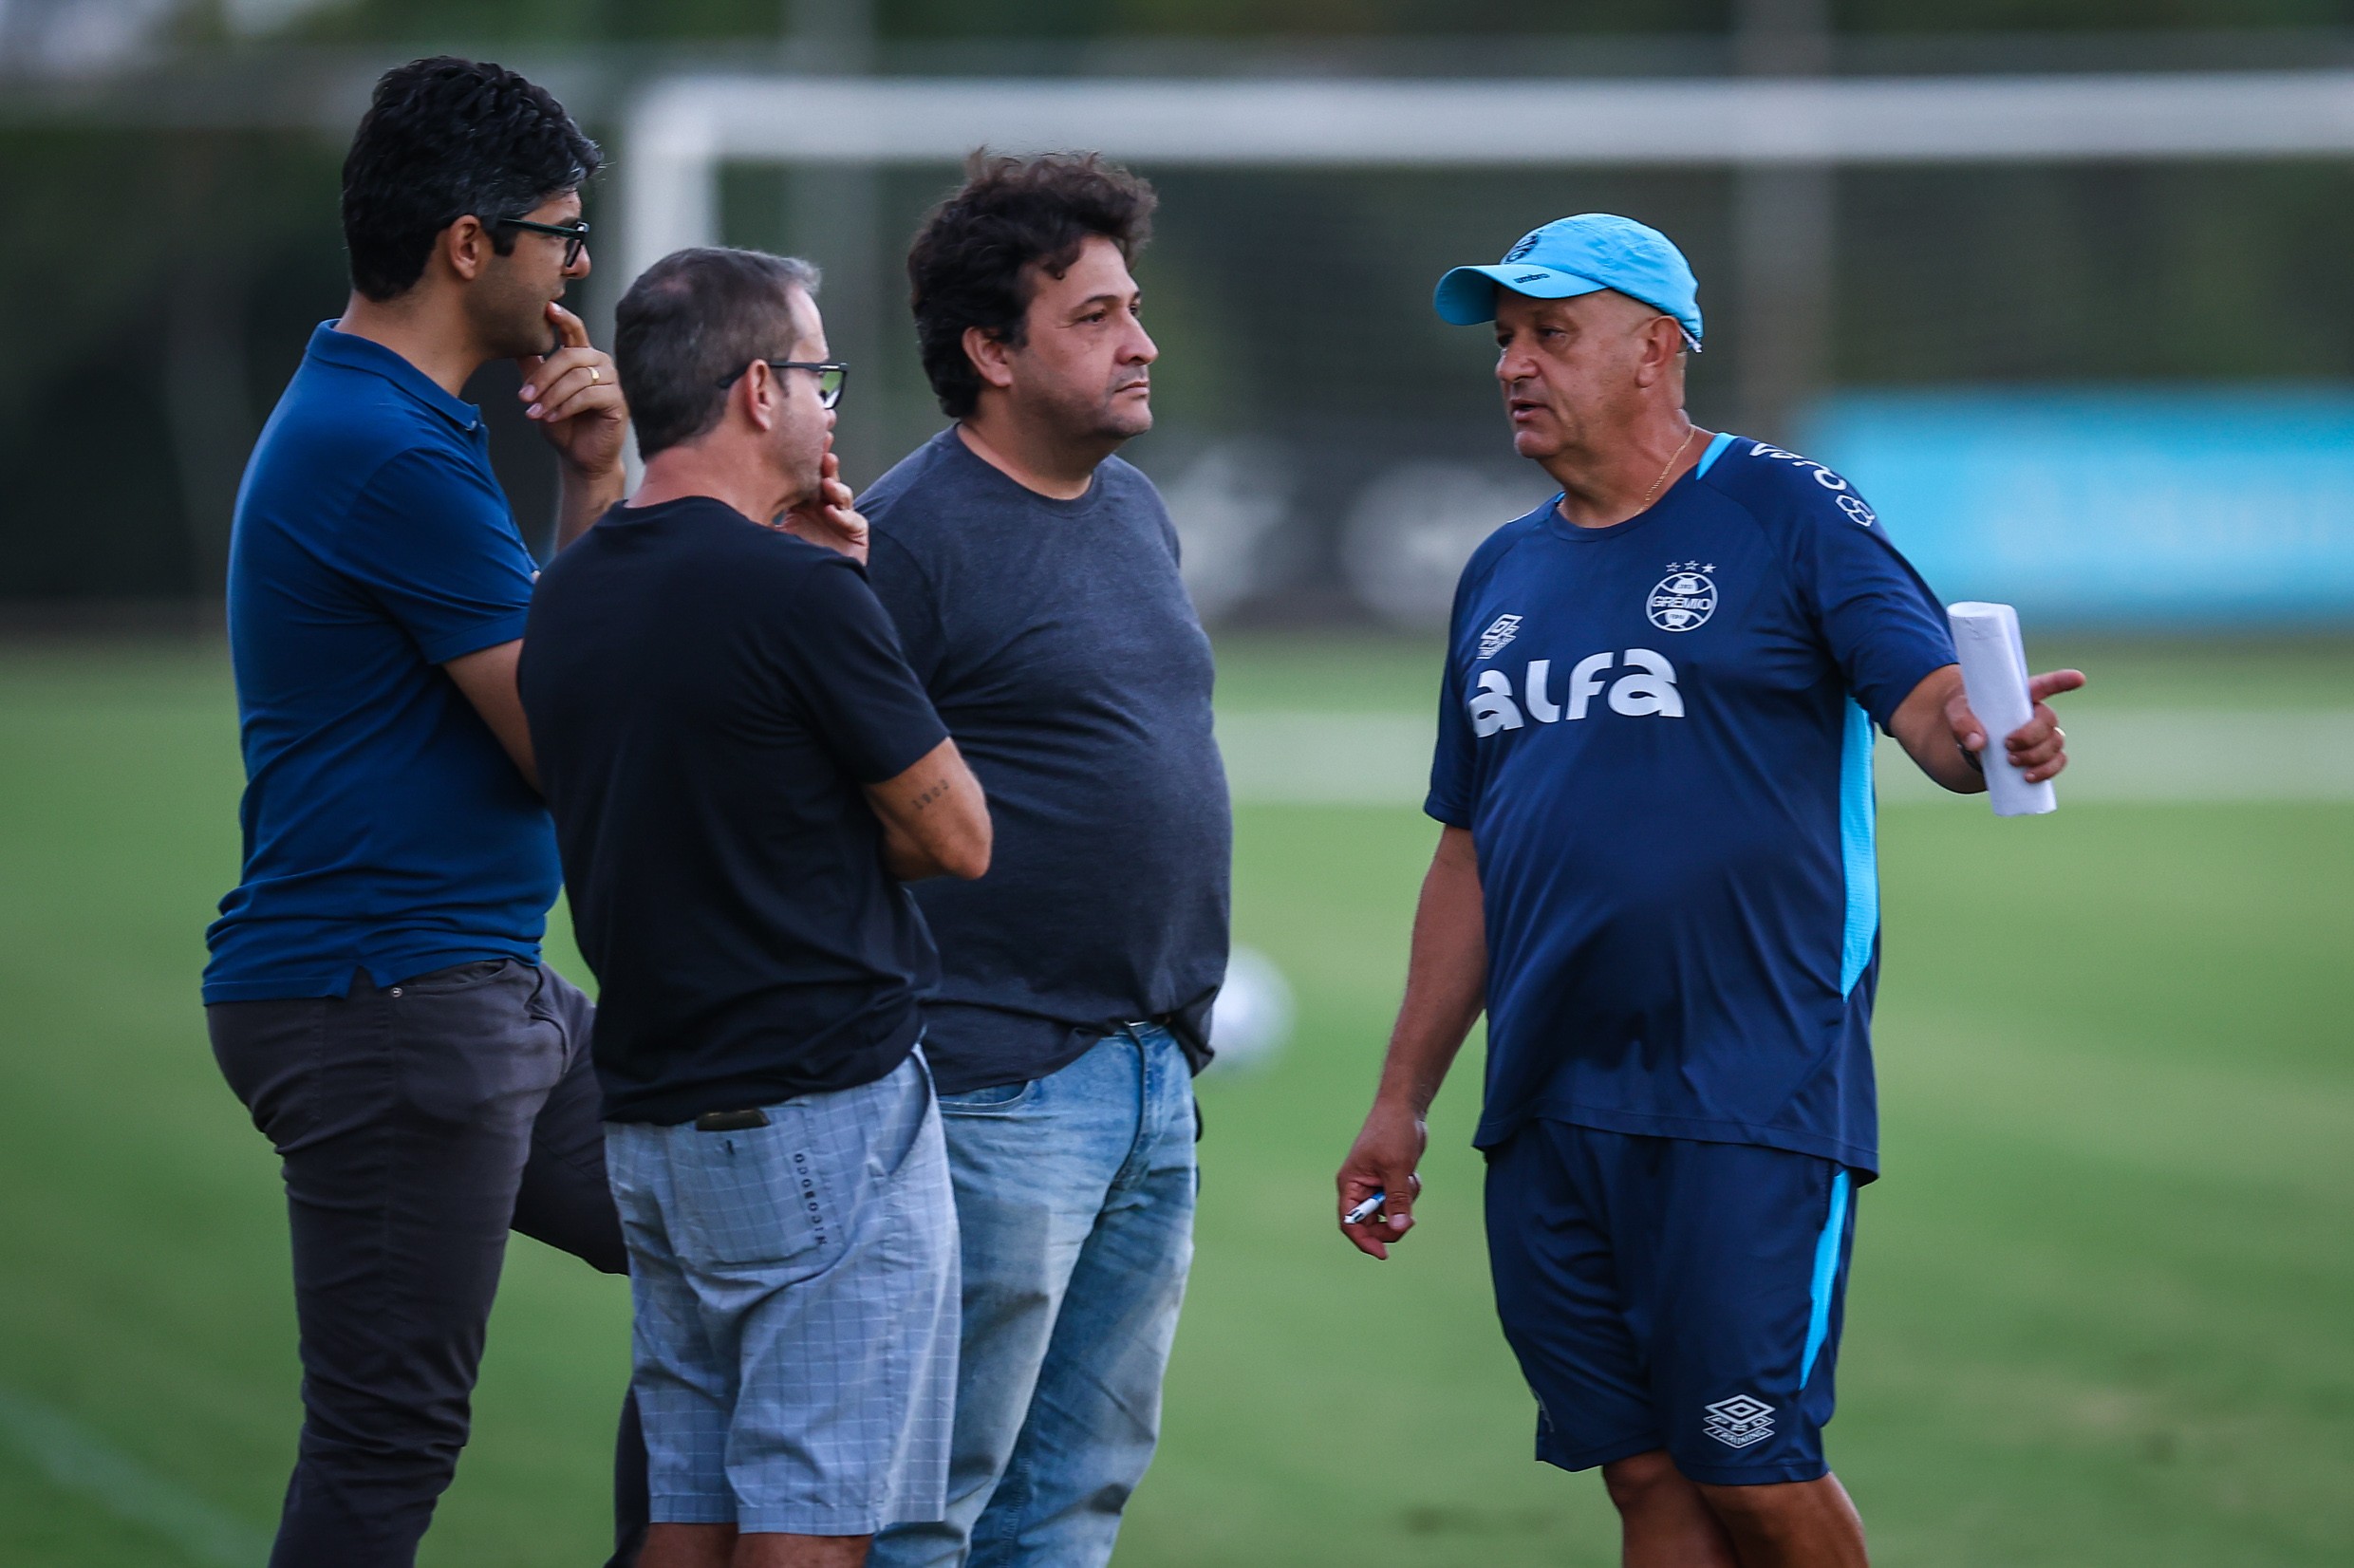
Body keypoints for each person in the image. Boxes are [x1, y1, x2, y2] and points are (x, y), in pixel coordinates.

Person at [1334, 213, 2082, 1568]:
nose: (1515, 364)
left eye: (1551, 333)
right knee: (1648, 1484)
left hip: (1747, 1093)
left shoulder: (1782, 509)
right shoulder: (1502, 571)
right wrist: (1402, 1101)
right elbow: (1469, 848)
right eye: (1505, 338)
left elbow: (1925, 709)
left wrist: (1986, 734)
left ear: (1655, 350)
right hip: (1552, 1103)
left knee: (1755, 1470)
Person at [202, 57, 645, 1568]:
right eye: (561, 235)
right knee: (388, 1442)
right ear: (472, 244)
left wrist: (588, 478)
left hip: (465, 979)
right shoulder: (386, 447)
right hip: (386, 993)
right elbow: (563, 739)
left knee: (728, 1248)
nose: (577, 266)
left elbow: (545, 696)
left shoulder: (394, 420)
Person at [520, 246, 992, 1568]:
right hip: (818, 1121)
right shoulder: (798, 595)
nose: (831, 403)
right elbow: (957, 836)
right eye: (815, 372)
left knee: (687, 1506)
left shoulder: (563, 596)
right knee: (810, 1523)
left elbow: (707, 814)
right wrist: (840, 588)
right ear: (751, 391)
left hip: (655, 1119)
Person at [860, 153, 1229, 1568]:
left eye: (1132, 307)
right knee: (931, 1503)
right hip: (994, 1090)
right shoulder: (904, 543)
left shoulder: (1136, 508)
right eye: (1095, 316)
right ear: (991, 352)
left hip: (1152, 1076)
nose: (1140, 341)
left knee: (1073, 1505)